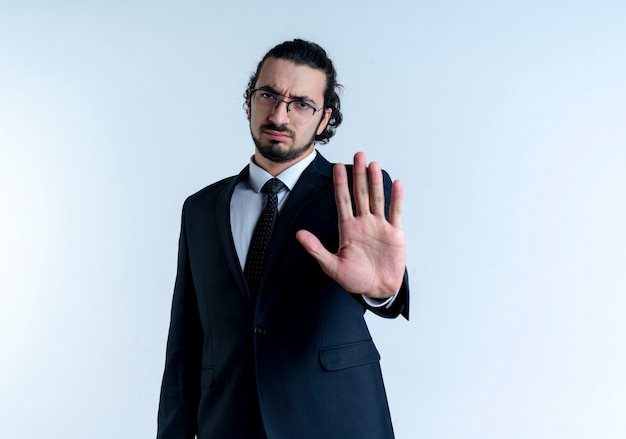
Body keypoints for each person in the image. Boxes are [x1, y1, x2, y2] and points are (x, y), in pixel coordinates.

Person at [156, 39, 409, 439]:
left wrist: (383, 294)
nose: (279, 114)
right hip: (227, 423)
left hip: (335, 419)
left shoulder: (356, 192)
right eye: (268, 95)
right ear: (249, 101)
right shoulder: (200, 209)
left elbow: (387, 290)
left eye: (301, 104)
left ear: (325, 118)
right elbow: (184, 344)